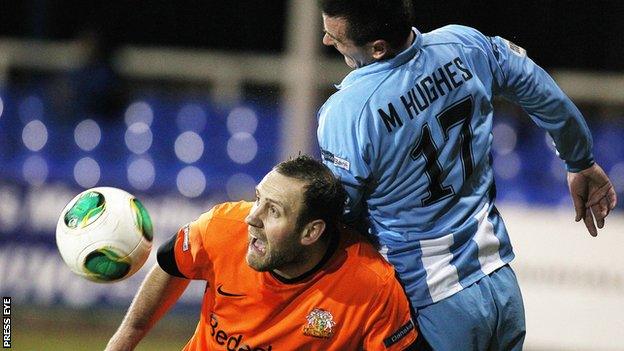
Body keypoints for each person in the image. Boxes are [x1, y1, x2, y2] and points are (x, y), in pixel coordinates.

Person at [316, 0, 618, 350]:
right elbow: (542, 92)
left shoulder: (348, 111)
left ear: (377, 48)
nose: (326, 42)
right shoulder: (464, 43)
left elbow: (343, 218)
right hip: (501, 286)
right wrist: (579, 160)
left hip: (428, 301)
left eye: (335, 38)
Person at [105, 155, 423, 351]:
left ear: (311, 232)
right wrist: (125, 338)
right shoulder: (222, 227)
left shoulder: (372, 285)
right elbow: (172, 261)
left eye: (273, 211)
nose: (252, 217)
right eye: (258, 199)